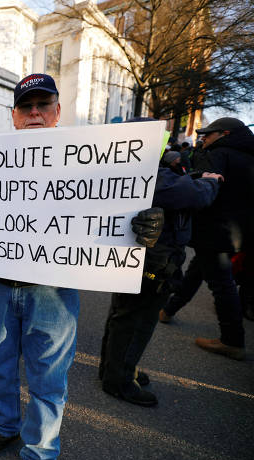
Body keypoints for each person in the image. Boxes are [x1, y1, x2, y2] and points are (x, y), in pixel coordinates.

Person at [0, 74, 163, 460]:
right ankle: (5, 426)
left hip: (53, 294)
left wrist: (142, 224)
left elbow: (111, 208)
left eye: (44, 104)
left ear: (58, 112)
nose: (35, 112)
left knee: (47, 380)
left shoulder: (90, 163)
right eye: (26, 106)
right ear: (15, 116)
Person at [99, 119, 221, 407]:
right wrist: (209, 182)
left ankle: (114, 370)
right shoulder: (145, 172)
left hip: (142, 255)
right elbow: (188, 194)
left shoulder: (132, 167)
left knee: (122, 316)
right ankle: (119, 380)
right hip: (154, 258)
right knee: (137, 320)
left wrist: (192, 175)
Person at [160, 117, 254, 360]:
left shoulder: (220, 154)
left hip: (214, 229)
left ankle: (232, 340)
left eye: (208, 135)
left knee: (221, 284)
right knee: (197, 270)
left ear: (224, 134)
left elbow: (203, 186)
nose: (204, 139)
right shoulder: (248, 156)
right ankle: (168, 309)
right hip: (236, 232)